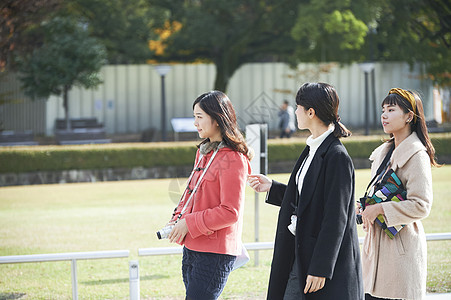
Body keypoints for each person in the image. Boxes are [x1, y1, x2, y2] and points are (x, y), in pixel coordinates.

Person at [248, 82, 363, 299]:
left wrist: (321, 268)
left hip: (320, 263)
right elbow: (309, 198)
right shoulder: (313, 147)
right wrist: (272, 187)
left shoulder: (336, 156)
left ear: (311, 112)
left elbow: (336, 217)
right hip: (299, 252)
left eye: (298, 107)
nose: (295, 111)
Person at [165, 90, 252, 300]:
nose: (195, 123)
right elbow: (191, 193)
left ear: (217, 118)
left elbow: (230, 212)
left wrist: (189, 222)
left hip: (216, 252)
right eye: (194, 116)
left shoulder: (234, 159)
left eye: (199, 117)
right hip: (192, 245)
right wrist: (177, 219)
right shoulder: (204, 151)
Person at [359, 88, 437, 300]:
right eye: (383, 109)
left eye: (391, 109)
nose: (384, 115)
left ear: (409, 116)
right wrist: (365, 207)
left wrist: (380, 208)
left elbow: (421, 205)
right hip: (375, 247)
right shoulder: (383, 153)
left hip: (400, 252)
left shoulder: (416, 154)